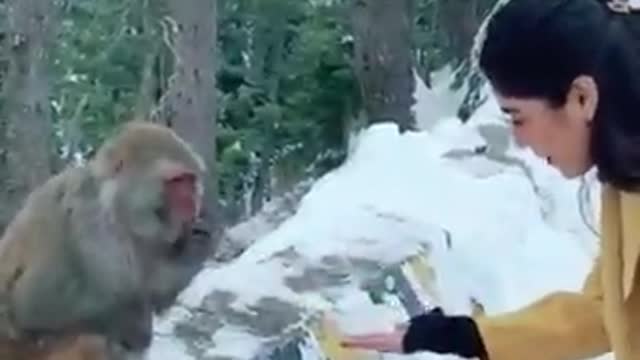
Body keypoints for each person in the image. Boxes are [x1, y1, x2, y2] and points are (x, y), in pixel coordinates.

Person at [340, 0, 640, 359]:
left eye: (518, 118)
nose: (518, 141)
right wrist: (461, 336)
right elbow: (607, 313)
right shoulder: (626, 179)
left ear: (581, 98)